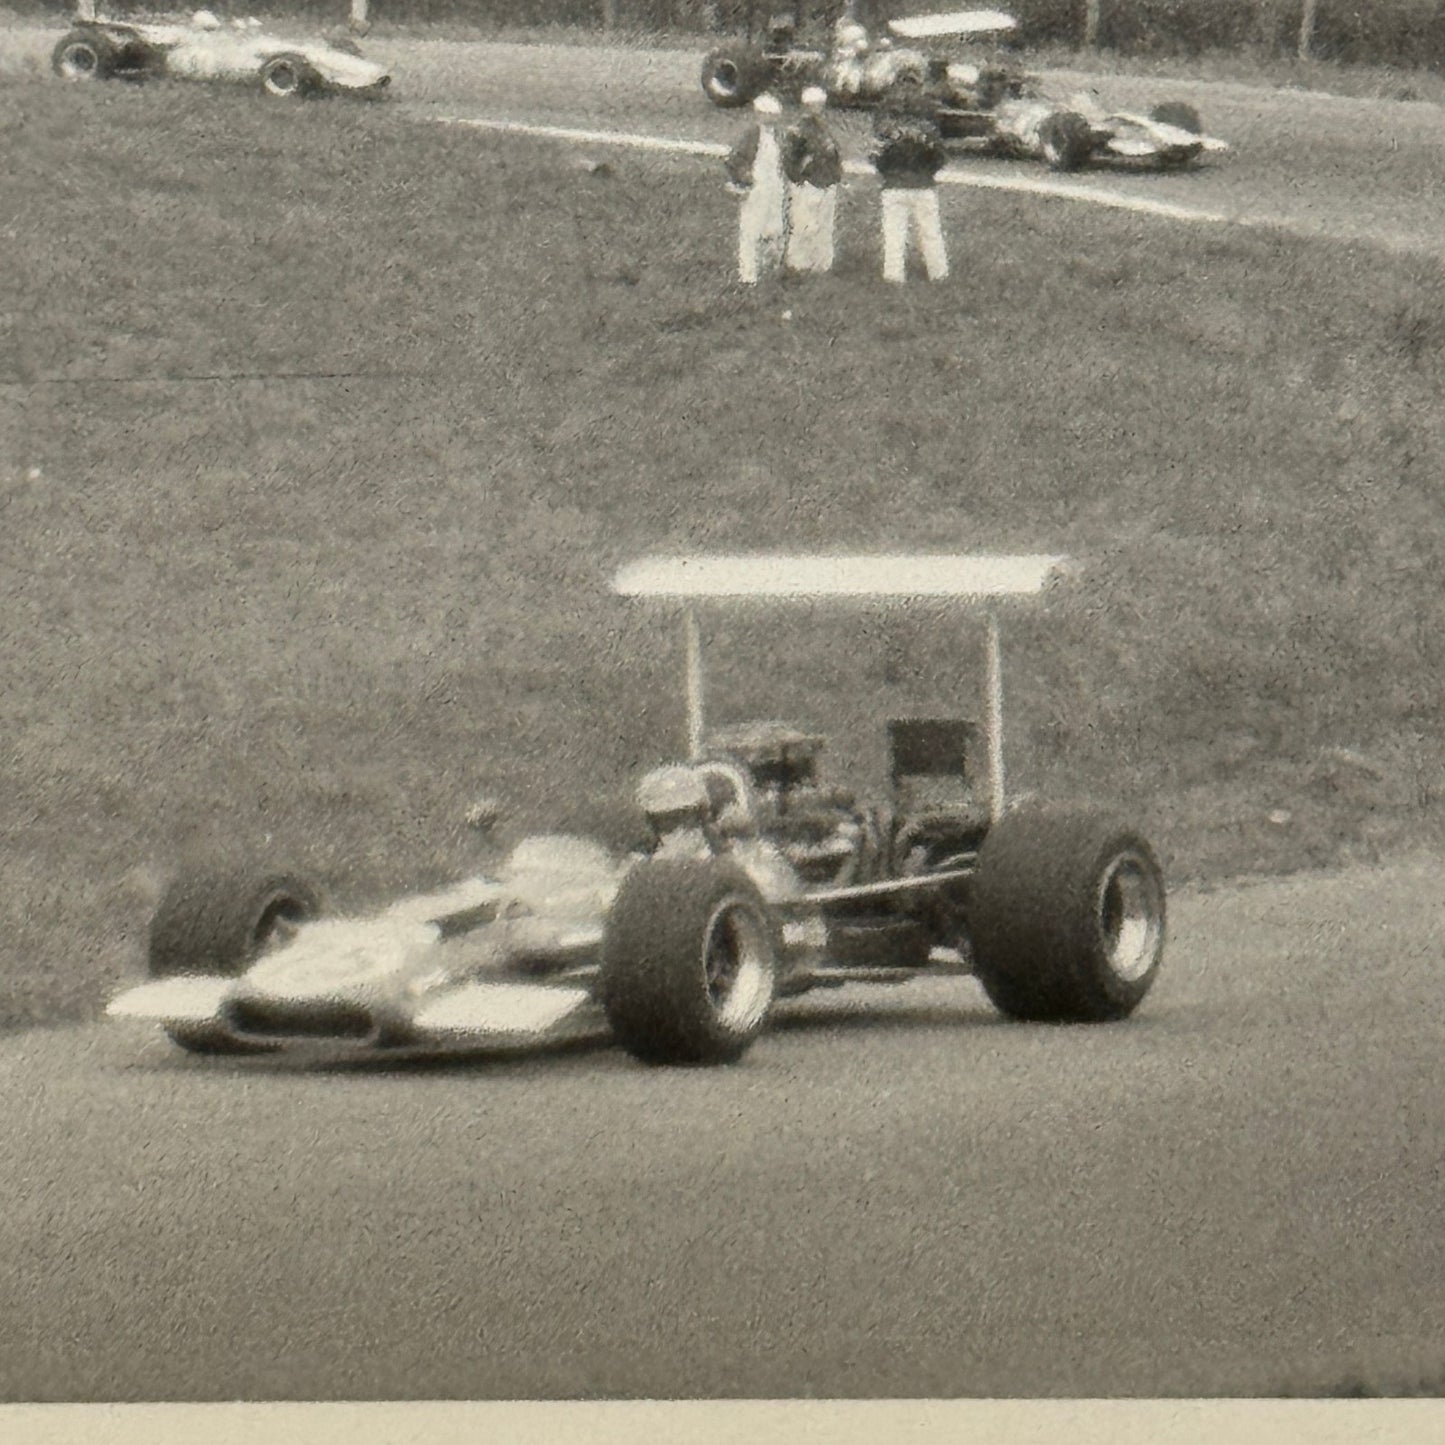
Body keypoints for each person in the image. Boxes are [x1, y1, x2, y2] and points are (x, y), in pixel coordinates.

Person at [870, 81, 950, 283]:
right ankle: (938, 272)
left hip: (894, 184)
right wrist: (928, 172)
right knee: (930, 232)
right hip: (923, 184)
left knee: (894, 233)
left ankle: (893, 274)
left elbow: (876, 158)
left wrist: (888, 173)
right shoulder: (929, 130)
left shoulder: (887, 130)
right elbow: (940, 158)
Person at [725, 93, 789, 285]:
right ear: (760, 114)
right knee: (751, 228)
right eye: (769, 115)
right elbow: (734, 160)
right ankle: (748, 273)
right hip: (757, 187)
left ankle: (770, 268)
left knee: (774, 227)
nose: (773, 120)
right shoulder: (751, 135)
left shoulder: (778, 135)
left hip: (774, 185)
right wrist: (745, 176)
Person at [781, 87, 843, 275]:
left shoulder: (823, 127)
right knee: (804, 225)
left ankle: (821, 263)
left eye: (819, 104)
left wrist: (835, 175)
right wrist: (798, 179)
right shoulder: (799, 130)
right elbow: (790, 158)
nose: (817, 107)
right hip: (808, 183)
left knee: (824, 225)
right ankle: (798, 262)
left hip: (826, 182)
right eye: (813, 104)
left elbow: (833, 154)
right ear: (805, 105)